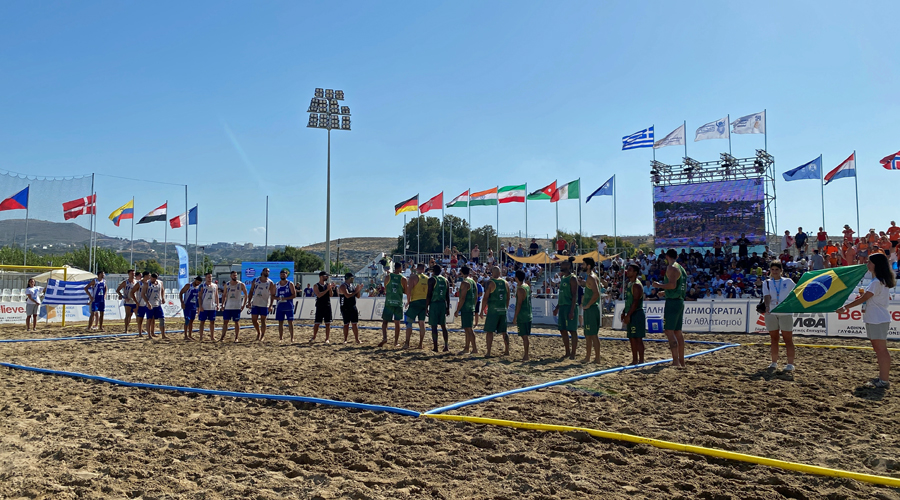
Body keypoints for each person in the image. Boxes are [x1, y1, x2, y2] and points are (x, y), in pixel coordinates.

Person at [837, 253, 895, 389]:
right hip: (876, 318)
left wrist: (845, 307)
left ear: (876, 265)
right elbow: (866, 298)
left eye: (869, 262)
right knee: (879, 349)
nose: (867, 264)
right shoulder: (879, 281)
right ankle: (882, 377)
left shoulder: (876, 282)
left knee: (881, 350)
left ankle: (884, 380)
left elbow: (863, 299)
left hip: (877, 319)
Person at [652, 249, 687, 368]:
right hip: (679, 300)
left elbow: (672, 285)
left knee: (669, 331)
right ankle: (681, 361)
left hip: (672, 302)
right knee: (678, 332)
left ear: (667, 256)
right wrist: (665, 291)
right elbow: (675, 286)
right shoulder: (681, 268)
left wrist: (659, 286)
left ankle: (676, 361)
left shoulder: (671, 267)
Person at [762, 261, 795, 371]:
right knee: (774, 339)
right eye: (773, 269)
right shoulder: (767, 282)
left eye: (777, 269)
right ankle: (774, 362)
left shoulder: (788, 281)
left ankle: (790, 364)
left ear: (781, 270)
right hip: (771, 312)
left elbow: (796, 294)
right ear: (770, 271)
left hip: (785, 312)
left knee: (788, 339)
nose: (775, 271)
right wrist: (767, 307)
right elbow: (766, 296)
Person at [553, 257, 579, 360]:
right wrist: (557, 308)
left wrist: (572, 310)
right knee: (562, 330)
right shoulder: (563, 278)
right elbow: (562, 295)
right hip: (563, 306)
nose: (560, 266)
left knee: (572, 330)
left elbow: (574, 295)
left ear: (568, 266)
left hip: (569, 306)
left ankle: (573, 353)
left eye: (563, 264)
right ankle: (567, 352)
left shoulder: (572, 278)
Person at [481, 266, 510, 357]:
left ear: (492, 273)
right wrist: (506, 307)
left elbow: (485, 298)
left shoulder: (491, 283)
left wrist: (481, 310)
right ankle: (507, 350)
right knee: (504, 331)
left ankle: (488, 352)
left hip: (493, 310)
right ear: (500, 273)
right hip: (502, 310)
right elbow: (508, 297)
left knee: (489, 331)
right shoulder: (506, 283)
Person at [621, 263, 646, 365]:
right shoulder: (630, 284)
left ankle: (640, 360)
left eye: (630, 270)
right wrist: (624, 312)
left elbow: (635, 303)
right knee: (632, 337)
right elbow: (629, 302)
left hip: (636, 314)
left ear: (635, 273)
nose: (628, 271)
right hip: (632, 313)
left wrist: (628, 315)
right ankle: (635, 360)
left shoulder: (636, 285)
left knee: (638, 338)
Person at [580, 257, 602, 364]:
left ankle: (597, 358)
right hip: (591, 308)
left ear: (588, 266)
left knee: (593, 335)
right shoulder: (591, 277)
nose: (582, 266)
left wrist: (588, 305)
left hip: (592, 309)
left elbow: (596, 293)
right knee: (588, 334)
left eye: (583, 264)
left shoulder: (591, 278)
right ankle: (588, 357)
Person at [379, 262, 406, 347]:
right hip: (398, 303)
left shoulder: (388, 277)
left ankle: (384, 338)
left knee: (385, 322)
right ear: (400, 268)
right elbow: (405, 290)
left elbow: (385, 289)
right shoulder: (403, 278)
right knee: (397, 323)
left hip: (389, 302)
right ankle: (396, 342)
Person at [426, 264, 451, 353]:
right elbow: (447, 295)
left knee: (434, 326)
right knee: (444, 326)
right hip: (442, 304)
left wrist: (426, 307)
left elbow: (429, 294)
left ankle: (436, 347)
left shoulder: (432, 280)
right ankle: (446, 346)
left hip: (434, 304)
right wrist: (448, 307)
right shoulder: (445, 280)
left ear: (433, 271)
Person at [403, 263, 429, 349]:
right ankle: (420, 344)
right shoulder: (427, 279)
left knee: (409, 321)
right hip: (424, 301)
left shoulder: (413, 277)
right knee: (422, 323)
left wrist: (408, 301)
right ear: (424, 269)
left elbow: (409, 290)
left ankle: (407, 343)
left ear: (417, 269)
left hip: (415, 301)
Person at [453, 266, 478, 354]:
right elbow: (476, 296)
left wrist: (457, 310)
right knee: (467, 329)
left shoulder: (465, 282)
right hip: (470, 306)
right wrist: (473, 306)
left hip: (466, 308)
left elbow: (462, 298)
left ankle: (474, 348)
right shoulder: (473, 282)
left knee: (469, 329)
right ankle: (467, 347)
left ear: (462, 272)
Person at [246, 268, 274, 341]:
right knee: (254, 320)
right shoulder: (256, 280)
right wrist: (249, 301)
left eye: (268, 271)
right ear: (262, 272)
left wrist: (271, 305)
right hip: (255, 302)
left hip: (264, 304)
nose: (267, 272)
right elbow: (251, 291)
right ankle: (258, 332)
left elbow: (273, 295)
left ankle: (262, 335)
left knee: (263, 320)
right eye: (266, 271)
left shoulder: (270, 282)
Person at [220, 271, 247, 342]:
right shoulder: (227, 284)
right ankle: (222, 337)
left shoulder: (241, 284)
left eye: (236, 275)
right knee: (225, 322)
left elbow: (246, 295)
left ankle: (236, 337)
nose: (235, 276)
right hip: (228, 306)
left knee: (236, 321)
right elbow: (224, 295)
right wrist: (222, 304)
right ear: (231, 276)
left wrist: (243, 305)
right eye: (233, 275)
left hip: (237, 306)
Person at [512, 269, 532, 361]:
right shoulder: (526, 286)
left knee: (524, 336)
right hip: (528, 313)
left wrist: (515, 317)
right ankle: (526, 354)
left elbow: (519, 304)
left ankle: (526, 355)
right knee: (525, 336)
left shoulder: (520, 289)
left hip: (523, 315)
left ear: (516, 278)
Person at [273, 268, 297, 343]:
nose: (283, 275)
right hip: (280, 306)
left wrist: (285, 298)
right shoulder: (276, 285)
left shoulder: (290, 284)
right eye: (281, 274)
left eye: (284, 274)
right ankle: (281, 338)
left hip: (288, 306)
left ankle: (292, 338)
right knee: (280, 322)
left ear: (286, 275)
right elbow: (272, 295)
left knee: (290, 322)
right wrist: (278, 298)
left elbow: (294, 295)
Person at [311, 271, 335, 343]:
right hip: (320, 306)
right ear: (321, 276)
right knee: (317, 323)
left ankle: (327, 338)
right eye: (326, 276)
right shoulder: (316, 285)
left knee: (328, 323)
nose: (327, 277)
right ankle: (314, 336)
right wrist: (327, 289)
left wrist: (330, 288)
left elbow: (331, 295)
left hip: (327, 305)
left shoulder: (327, 285)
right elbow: (319, 295)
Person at [142, 273, 167, 340]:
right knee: (149, 319)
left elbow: (162, 289)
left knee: (162, 319)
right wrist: (148, 302)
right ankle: (149, 335)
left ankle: (163, 335)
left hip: (158, 303)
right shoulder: (147, 283)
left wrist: (163, 297)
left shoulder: (160, 283)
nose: (153, 280)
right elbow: (143, 294)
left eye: (154, 278)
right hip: (150, 304)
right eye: (152, 278)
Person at [339, 272, 362, 344]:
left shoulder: (352, 285)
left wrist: (358, 290)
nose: (353, 279)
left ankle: (357, 339)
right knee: (346, 324)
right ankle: (345, 339)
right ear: (348, 278)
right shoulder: (343, 286)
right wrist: (356, 291)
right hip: (345, 307)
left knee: (354, 323)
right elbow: (347, 295)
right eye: (352, 278)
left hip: (352, 306)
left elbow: (358, 296)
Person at [196, 273, 219, 342]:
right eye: (208, 277)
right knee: (202, 322)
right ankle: (201, 337)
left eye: (211, 277)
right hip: (204, 306)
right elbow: (199, 297)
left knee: (212, 322)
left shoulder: (215, 286)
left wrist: (217, 305)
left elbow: (216, 296)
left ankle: (212, 336)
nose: (210, 278)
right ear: (205, 278)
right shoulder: (202, 286)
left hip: (212, 306)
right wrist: (200, 306)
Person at [179, 276, 202, 341]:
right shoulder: (188, 285)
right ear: (195, 280)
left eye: (199, 283)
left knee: (191, 321)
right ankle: (185, 335)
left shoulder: (198, 288)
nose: (198, 283)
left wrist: (198, 307)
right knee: (187, 320)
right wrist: (182, 302)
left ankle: (190, 335)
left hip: (193, 306)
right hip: (187, 306)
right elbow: (181, 293)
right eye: (197, 282)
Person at [129, 272, 150, 337]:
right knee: (140, 319)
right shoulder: (139, 283)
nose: (150, 277)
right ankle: (140, 333)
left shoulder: (150, 283)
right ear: (145, 276)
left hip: (148, 303)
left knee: (150, 318)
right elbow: (132, 292)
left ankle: (150, 332)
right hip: (140, 303)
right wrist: (136, 301)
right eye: (149, 275)